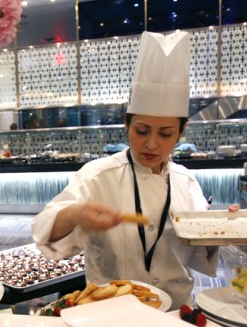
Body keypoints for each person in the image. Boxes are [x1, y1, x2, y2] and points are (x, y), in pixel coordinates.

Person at [32, 31, 235, 307]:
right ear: (127, 125)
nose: (151, 144)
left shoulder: (186, 182)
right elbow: (45, 232)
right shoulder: (98, 176)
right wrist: (77, 214)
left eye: (165, 134)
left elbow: (201, 256)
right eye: (141, 131)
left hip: (175, 312)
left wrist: (222, 230)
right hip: (110, 313)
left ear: (181, 132)